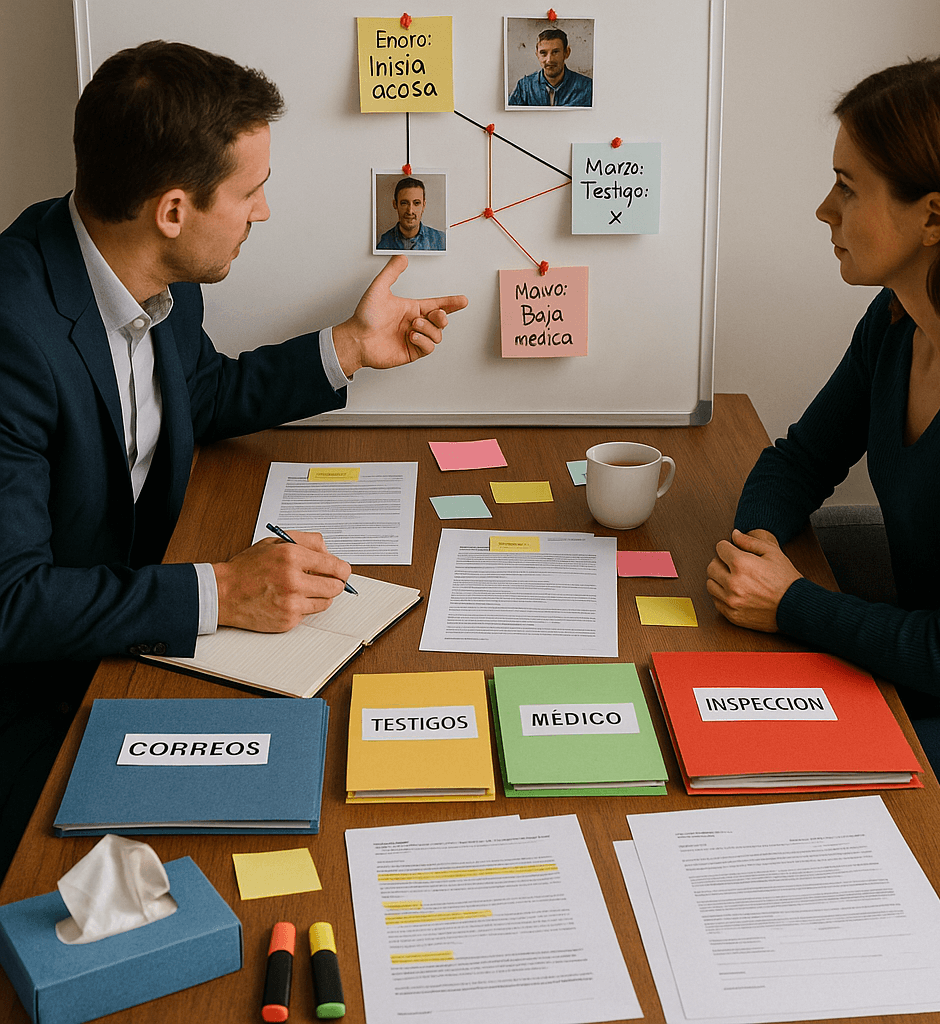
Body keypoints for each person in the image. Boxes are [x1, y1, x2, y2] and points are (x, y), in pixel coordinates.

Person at [0, 39, 467, 881]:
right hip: (36, 706)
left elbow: (197, 395)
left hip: (133, 642)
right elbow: (12, 605)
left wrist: (350, 347)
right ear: (174, 210)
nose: (263, 212)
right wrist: (221, 589)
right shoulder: (12, 332)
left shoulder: (154, 273)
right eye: (250, 192)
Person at [706, 53, 940, 864]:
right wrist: (757, 550)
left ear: (934, 218)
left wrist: (790, 603)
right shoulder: (897, 320)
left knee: (736, 801)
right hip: (912, 681)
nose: (824, 209)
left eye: (848, 187)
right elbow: (797, 462)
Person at [508, 27, 593, 108]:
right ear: (537, 55)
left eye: (555, 52)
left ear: (566, 53)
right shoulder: (524, 87)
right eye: (543, 53)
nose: (549, 60)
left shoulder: (587, 87)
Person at [377, 176, 446, 251]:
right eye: (404, 203)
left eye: (416, 203)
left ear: (423, 205)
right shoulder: (383, 243)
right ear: (395, 204)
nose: (410, 211)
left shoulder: (441, 241)